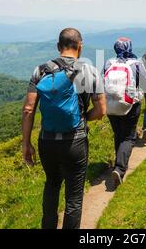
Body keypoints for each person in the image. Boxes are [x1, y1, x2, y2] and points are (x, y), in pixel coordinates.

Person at [21, 28, 106, 229]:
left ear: (59, 47)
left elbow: (28, 110)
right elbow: (101, 110)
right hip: (75, 141)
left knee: (52, 185)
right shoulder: (89, 71)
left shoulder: (40, 71)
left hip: (47, 141)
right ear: (80, 46)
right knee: (74, 197)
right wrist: (84, 118)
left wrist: (26, 143)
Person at [104, 37, 146, 186]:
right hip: (130, 104)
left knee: (119, 134)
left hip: (110, 105)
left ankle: (118, 163)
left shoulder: (109, 63)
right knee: (129, 137)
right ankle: (120, 168)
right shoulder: (136, 64)